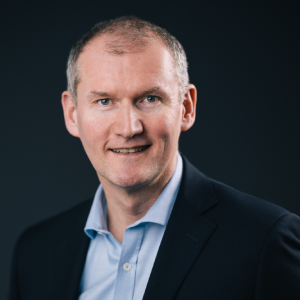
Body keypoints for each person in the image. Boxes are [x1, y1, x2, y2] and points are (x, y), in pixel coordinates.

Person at [9, 16, 300, 300]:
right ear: (72, 114)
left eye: (149, 98)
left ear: (186, 107)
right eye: (104, 101)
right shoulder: (35, 252)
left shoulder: (264, 241)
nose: (128, 128)